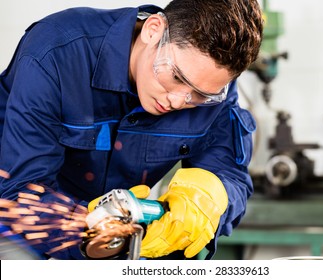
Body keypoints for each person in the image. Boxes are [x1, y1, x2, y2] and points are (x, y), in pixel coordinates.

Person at [0, 0, 264, 259]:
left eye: (200, 94)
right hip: (20, 237)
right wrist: (89, 227)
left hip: (121, 245)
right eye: (176, 78)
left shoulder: (213, 87)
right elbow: (22, 193)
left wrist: (211, 197)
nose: (178, 100)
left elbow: (229, 174)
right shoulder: (57, 52)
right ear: (153, 30)